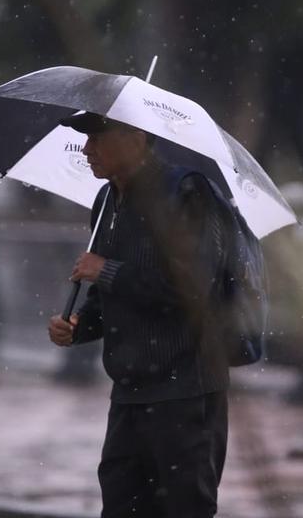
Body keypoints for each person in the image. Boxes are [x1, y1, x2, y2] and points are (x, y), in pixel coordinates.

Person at [47, 112, 229, 517]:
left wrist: (106, 270)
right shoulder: (107, 200)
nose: (87, 149)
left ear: (136, 138)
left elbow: (194, 287)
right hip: (130, 394)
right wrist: (78, 327)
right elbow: (109, 299)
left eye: (97, 138)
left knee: (185, 509)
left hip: (186, 393)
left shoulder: (186, 193)